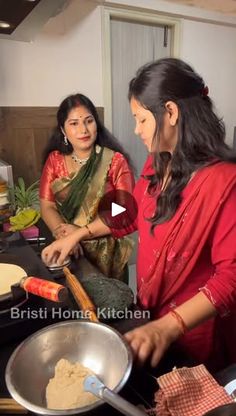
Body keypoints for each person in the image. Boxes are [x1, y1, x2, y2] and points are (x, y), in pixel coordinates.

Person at [42, 59, 236, 373]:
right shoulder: (158, 162)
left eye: (141, 119)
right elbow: (128, 209)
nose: (136, 129)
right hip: (151, 314)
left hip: (192, 332)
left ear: (171, 113)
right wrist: (79, 233)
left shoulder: (225, 182)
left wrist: (168, 327)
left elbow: (231, 278)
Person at [39, 93, 135, 280]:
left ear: (96, 125)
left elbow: (123, 211)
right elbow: (47, 206)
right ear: (63, 131)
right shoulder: (55, 161)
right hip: (67, 251)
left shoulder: (115, 162)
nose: (83, 129)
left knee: (109, 305)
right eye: (74, 123)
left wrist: (80, 234)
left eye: (88, 121)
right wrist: (64, 236)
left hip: (106, 254)